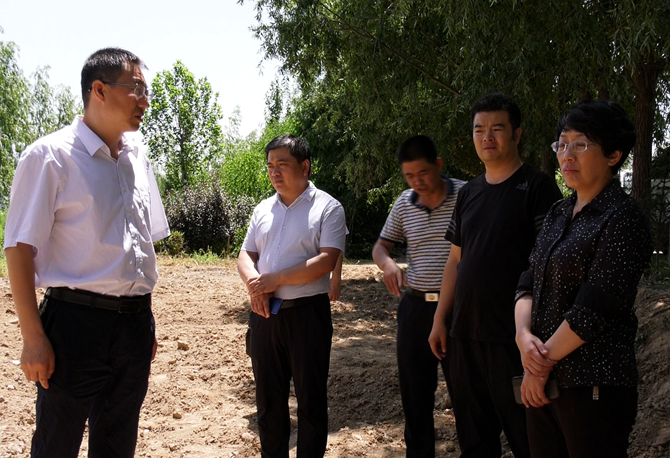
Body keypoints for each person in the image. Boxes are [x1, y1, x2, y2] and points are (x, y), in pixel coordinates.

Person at [3, 48, 169, 458]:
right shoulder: (50, 156)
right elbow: (19, 248)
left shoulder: (137, 156)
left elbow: (140, 245)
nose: (145, 102)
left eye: (146, 92)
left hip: (133, 326)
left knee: (117, 444)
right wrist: (32, 337)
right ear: (99, 90)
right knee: (56, 445)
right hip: (74, 327)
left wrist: (143, 322)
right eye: (136, 89)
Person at [514, 100, 652, 458]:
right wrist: (523, 337)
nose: (567, 155)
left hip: (593, 385)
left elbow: (593, 309)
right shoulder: (558, 212)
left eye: (581, 144)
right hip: (543, 382)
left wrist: (539, 364)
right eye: (562, 144)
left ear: (613, 155)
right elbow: (528, 281)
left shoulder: (623, 218)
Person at [428, 93, 563, 457]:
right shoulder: (468, 193)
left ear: (517, 134)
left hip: (514, 340)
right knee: (474, 441)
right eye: (479, 129)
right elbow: (455, 261)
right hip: (464, 336)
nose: (487, 137)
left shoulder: (538, 188)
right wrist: (440, 319)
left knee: (529, 440)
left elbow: (551, 266)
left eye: (497, 128)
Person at [237, 134, 347, 458]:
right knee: (268, 403)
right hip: (264, 316)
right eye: (270, 165)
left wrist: (275, 280)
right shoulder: (262, 209)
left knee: (311, 402)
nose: (274, 172)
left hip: (307, 315)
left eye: (282, 164)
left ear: (305, 166)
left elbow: (326, 261)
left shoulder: (328, 208)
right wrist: (256, 285)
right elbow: (245, 254)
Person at [372, 135, 465, 457]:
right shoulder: (404, 203)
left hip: (458, 309)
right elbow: (381, 246)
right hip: (415, 307)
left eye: (423, 173)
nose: (417, 182)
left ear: (438, 165)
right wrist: (388, 265)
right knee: (415, 396)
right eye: (409, 176)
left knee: (467, 394)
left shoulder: (466, 195)